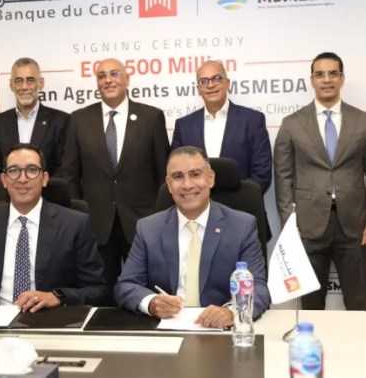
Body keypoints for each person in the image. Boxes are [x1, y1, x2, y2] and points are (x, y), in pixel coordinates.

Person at [0, 143, 107, 313]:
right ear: (4, 180)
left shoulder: (74, 224)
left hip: (48, 320)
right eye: (14, 170)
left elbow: (97, 289)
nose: (22, 179)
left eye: (32, 170)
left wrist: (57, 297)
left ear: (44, 179)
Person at [114, 146, 270, 328]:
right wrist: (151, 303)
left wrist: (232, 312)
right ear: (169, 184)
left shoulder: (242, 226)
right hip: (166, 329)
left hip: (221, 331)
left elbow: (258, 288)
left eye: (195, 174)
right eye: (177, 176)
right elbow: (126, 285)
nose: (187, 185)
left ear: (210, 178)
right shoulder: (148, 228)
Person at [58, 58, 170, 292]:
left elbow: (163, 174)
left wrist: (160, 219)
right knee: (101, 294)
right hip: (96, 224)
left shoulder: (151, 117)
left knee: (144, 292)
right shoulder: (79, 119)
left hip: (142, 222)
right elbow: (70, 174)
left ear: (127, 79)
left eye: (114, 74)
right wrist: (77, 217)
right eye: (102, 76)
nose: (108, 80)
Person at [274, 52, 366, 310]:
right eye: (320, 74)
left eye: (333, 73)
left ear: (342, 79)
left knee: (359, 301)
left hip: (354, 224)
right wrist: (289, 224)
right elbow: (282, 177)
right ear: (312, 80)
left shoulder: (362, 121)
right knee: (311, 303)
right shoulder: (292, 124)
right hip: (308, 225)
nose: (327, 79)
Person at [171, 60, 272, 195]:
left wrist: (239, 203)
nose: (210, 85)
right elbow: (176, 172)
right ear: (199, 89)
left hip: (241, 205)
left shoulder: (252, 120)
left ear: (227, 83)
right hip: (195, 204)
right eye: (203, 81)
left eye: (217, 78)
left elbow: (262, 174)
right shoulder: (184, 126)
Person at [0, 57, 69, 202]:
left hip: (49, 205)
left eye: (30, 80)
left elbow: (64, 169)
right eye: (19, 81)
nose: (24, 87)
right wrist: (14, 201)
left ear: (41, 83)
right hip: (8, 205)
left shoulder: (62, 121)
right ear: (11, 85)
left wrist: (37, 203)